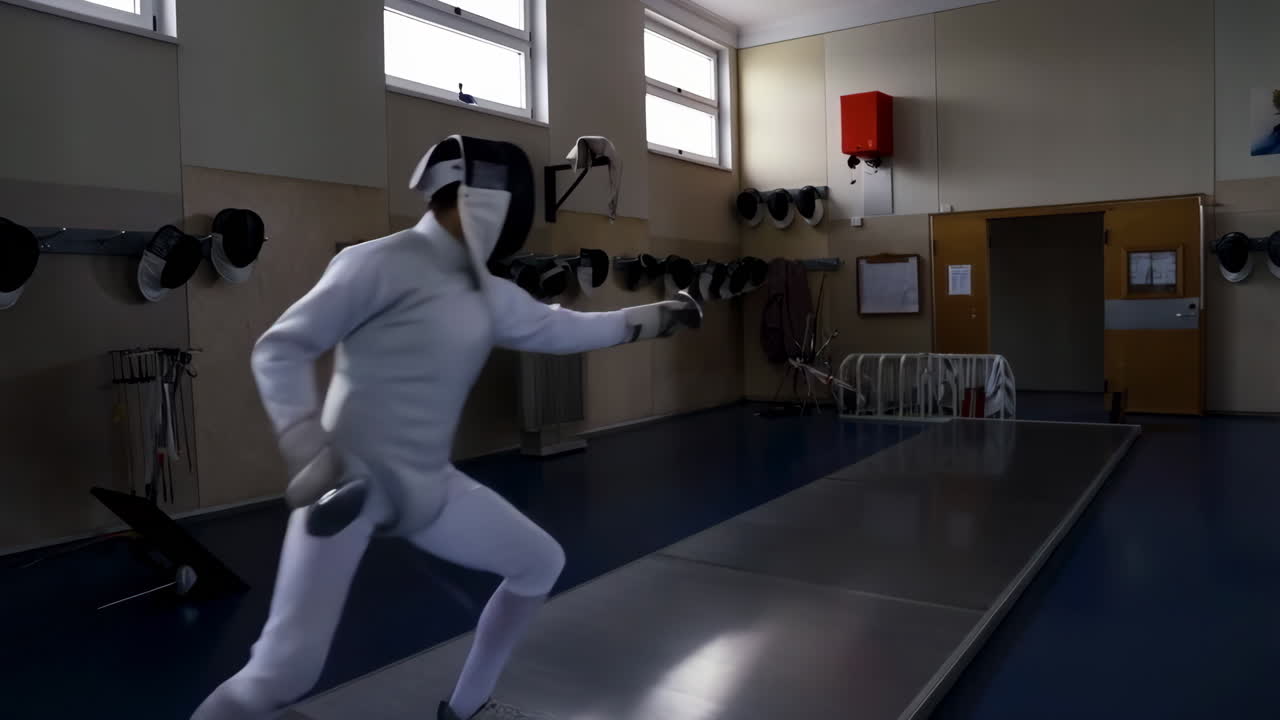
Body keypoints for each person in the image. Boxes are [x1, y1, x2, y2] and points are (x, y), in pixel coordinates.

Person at [191, 135, 700, 720]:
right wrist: (308, 449)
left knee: (539, 563)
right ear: (472, 197)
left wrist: (662, 316)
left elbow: (568, 332)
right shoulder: (375, 263)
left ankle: (465, 709)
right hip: (345, 484)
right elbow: (281, 348)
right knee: (282, 673)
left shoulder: (489, 294)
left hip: (428, 488)